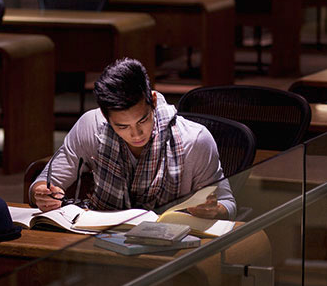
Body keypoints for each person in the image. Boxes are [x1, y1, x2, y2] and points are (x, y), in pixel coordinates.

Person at [30, 58, 236, 220]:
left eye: (143, 120)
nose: (136, 134)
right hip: (101, 238)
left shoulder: (194, 139)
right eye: (122, 126)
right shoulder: (91, 126)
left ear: (153, 101)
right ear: (105, 115)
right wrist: (42, 194)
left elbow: (228, 203)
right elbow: (44, 183)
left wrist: (214, 209)